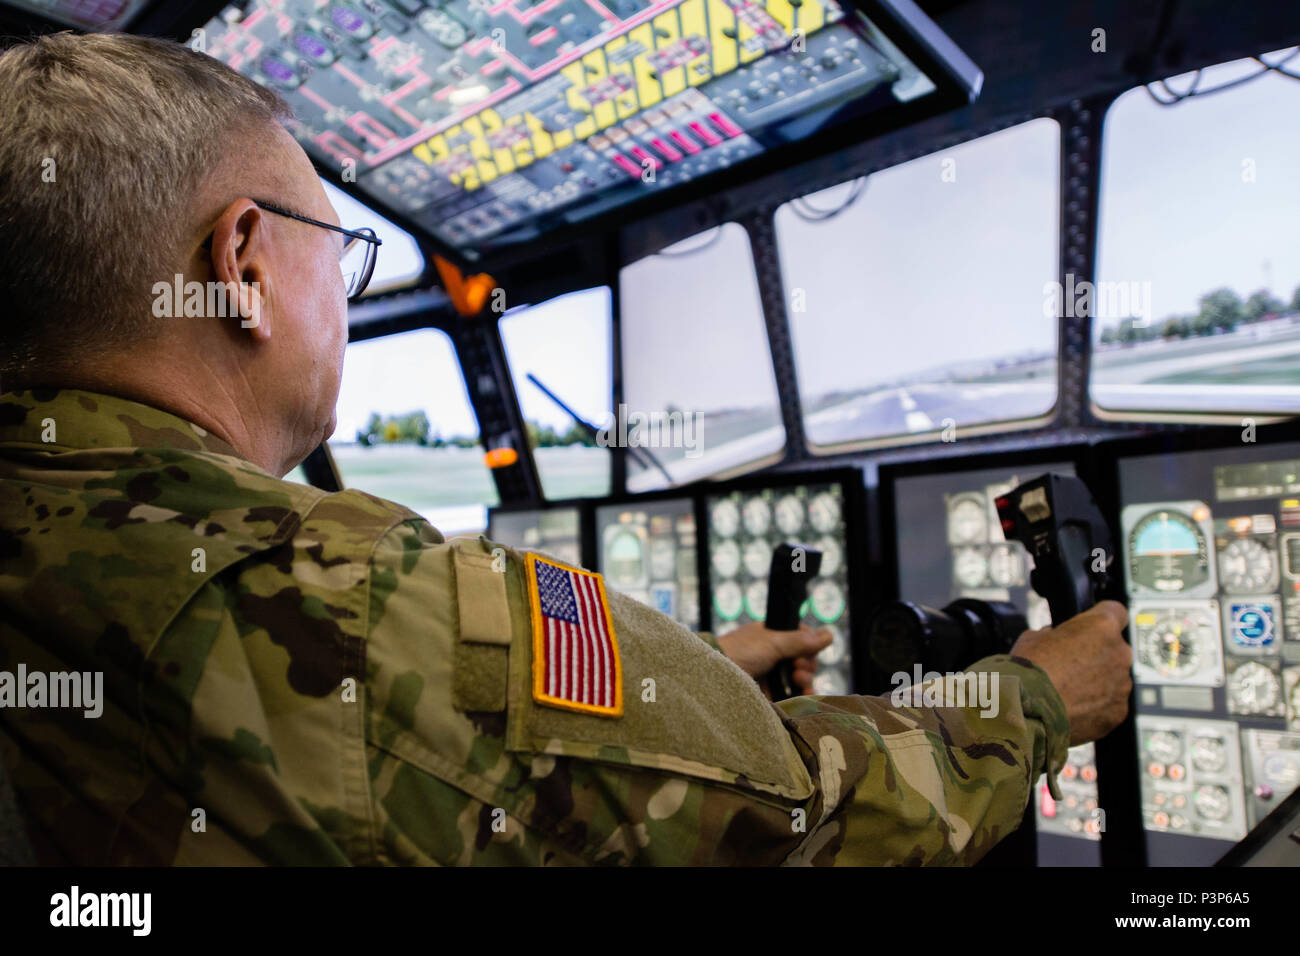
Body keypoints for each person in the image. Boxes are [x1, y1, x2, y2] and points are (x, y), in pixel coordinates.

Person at [0, 32, 1132, 865]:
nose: (343, 300)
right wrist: (1035, 696)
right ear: (242, 262)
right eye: (336, 253)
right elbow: (797, 816)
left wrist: (686, 684)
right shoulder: (352, 601)